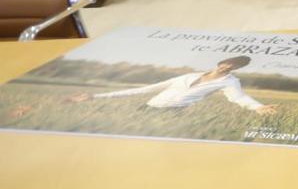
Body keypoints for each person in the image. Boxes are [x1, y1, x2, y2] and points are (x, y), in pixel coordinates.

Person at [69, 56, 276, 114]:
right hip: (147, 108)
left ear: (235, 69)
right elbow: (145, 90)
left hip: (171, 113)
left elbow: (238, 98)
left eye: (233, 66)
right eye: (227, 62)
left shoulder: (230, 82)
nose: (227, 67)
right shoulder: (186, 76)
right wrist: (95, 97)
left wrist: (258, 107)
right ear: (221, 62)